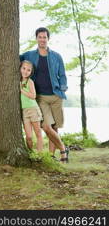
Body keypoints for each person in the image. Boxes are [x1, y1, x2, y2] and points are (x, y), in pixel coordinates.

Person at [20, 27, 68, 162]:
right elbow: (16, 59)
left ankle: (52, 156)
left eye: (44, 37)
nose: (42, 39)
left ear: (48, 39)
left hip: (56, 95)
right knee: (46, 127)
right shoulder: (29, 55)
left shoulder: (56, 56)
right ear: (36, 38)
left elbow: (62, 75)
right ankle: (64, 149)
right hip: (40, 97)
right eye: (40, 37)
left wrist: (63, 89)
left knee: (55, 127)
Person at [20, 60, 43, 152]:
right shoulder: (17, 81)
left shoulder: (30, 82)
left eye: (28, 70)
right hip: (24, 111)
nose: (25, 71)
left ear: (31, 72)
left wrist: (21, 90)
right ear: (20, 68)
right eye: (24, 68)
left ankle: (40, 155)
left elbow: (33, 96)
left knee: (38, 133)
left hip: (33, 109)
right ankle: (30, 153)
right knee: (29, 136)